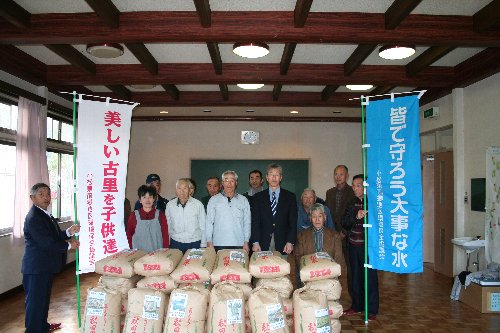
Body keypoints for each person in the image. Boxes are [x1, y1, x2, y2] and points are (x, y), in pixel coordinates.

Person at [22, 183, 80, 333]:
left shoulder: (44, 214)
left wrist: (68, 232)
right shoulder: (34, 217)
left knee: (42, 300)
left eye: (48, 194)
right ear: (32, 198)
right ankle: (34, 330)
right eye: (41, 194)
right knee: (35, 303)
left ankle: (42, 326)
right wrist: (68, 246)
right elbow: (46, 242)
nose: (46, 198)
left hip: (45, 266)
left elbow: (53, 236)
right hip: (36, 268)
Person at [342, 175, 379, 321]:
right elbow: (344, 222)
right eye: (354, 185)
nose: (355, 188)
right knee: (355, 277)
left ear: (365, 187)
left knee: (369, 278)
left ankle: (371, 309)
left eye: (358, 185)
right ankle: (356, 306)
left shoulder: (373, 202)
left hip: (368, 247)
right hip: (353, 245)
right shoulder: (351, 202)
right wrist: (356, 217)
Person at [294, 203, 345, 287]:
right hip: (309, 276)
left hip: (329, 276)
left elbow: (338, 258)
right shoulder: (302, 236)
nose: (317, 219)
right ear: (310, 218)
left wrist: (330, 274)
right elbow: (298, 257)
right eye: (314, 216)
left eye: (320, 216)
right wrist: (309, 273)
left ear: (325, 217)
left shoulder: (335, 236)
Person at [251, 163, 297, 255]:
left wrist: (290, 242)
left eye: (277, 175)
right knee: (264, 267)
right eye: (271, 174)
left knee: (282, 267)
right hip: (262, 242)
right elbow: (255, 222)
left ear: (280, 178)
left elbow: (293, 222)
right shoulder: (258, 197)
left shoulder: (290, 197)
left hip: (284, 242)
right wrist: (255, 242)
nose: (274, 177)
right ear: (267, 178)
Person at [325, 164, 355, 296]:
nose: (338, 177)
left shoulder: (352, 192)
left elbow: (354, 215)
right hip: (332, 236)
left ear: (347, 176)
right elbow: (328, 214)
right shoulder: (329, 192)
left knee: (351, 268)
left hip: (348, 236)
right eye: (336, 174)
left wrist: (343, 232)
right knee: (330, 266)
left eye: (341, 174)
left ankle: (354, 296)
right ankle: (330, 293)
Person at [206, 170, 251, 252]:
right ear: (222, 183)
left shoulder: (243, 200)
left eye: (232, 180)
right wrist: (209, 241)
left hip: (239, 244)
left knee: (237, 265)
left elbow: (247, 222)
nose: (229, 184)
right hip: (218, 244)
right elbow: (209, 222)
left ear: (236, 183)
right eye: (226, 180)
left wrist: (246, 241)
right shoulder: (213, 200)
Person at [166, 178, 207, 252]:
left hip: (194, 242)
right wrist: (168, 243)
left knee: (193, 263)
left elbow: (203, 225)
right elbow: (168, 224)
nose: (182, 191)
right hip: (176, 242)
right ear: (176, 190)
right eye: (179, 188)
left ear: (189, 190)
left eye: (185, 188)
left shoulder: (198, 204)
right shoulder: (170, 205)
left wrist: (203, 244)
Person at [127, 185, 169, 252]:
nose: (147, 200)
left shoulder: (160, 215)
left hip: (157, 254)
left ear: (154, 199)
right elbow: (129, 235)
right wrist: (132, 251)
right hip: (138, 254)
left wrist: (165, 251)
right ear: (140, 200)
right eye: (144, 197)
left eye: (150, 197)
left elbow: (165, 235)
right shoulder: (133, 216)